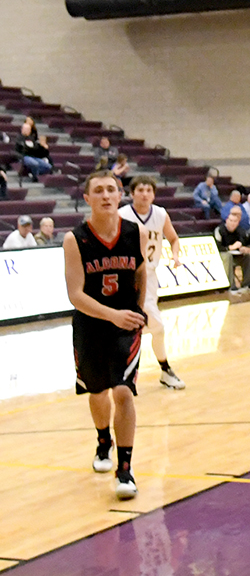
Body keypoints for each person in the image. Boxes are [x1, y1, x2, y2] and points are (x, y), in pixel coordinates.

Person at [63, 170, 147, 500]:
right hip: (90, 325)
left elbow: (140, 271)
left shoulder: (135, 232)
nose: (106, 195)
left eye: (111, 189)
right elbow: (75, 295)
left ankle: (125, 470)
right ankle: (103, 440)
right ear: (87, 198)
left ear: (120, 195)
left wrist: (138, 311)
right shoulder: (75, 239)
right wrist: (112, 315)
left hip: (125, 325)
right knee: (97, 392)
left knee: (123, 392)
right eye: (98, 190)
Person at [119, 176, 186, 390]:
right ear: (132, 193)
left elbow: (173, 238)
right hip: (127, 275)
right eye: (140, 190)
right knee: (153, 324)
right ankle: (161, 368)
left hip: (150, 275)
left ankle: (132, 371)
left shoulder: (160, 214)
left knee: (145, 325)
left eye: (149, 190)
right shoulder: (122, 215)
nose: (145, 194)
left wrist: (175, 255)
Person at [215, 207, 250, 289]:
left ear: (238, 223)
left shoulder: (240, 230)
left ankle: (247, 284)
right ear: (226, 221)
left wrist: (246, 248)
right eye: (231, 221)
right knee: (228, 256)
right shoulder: (219, 230)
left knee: (247, 256)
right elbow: (216, 247)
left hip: (237, 255)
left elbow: (247, 243)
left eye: (235, 221)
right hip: (223, 255)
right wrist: (230, 248)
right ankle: (231, 285)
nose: (232, 223)